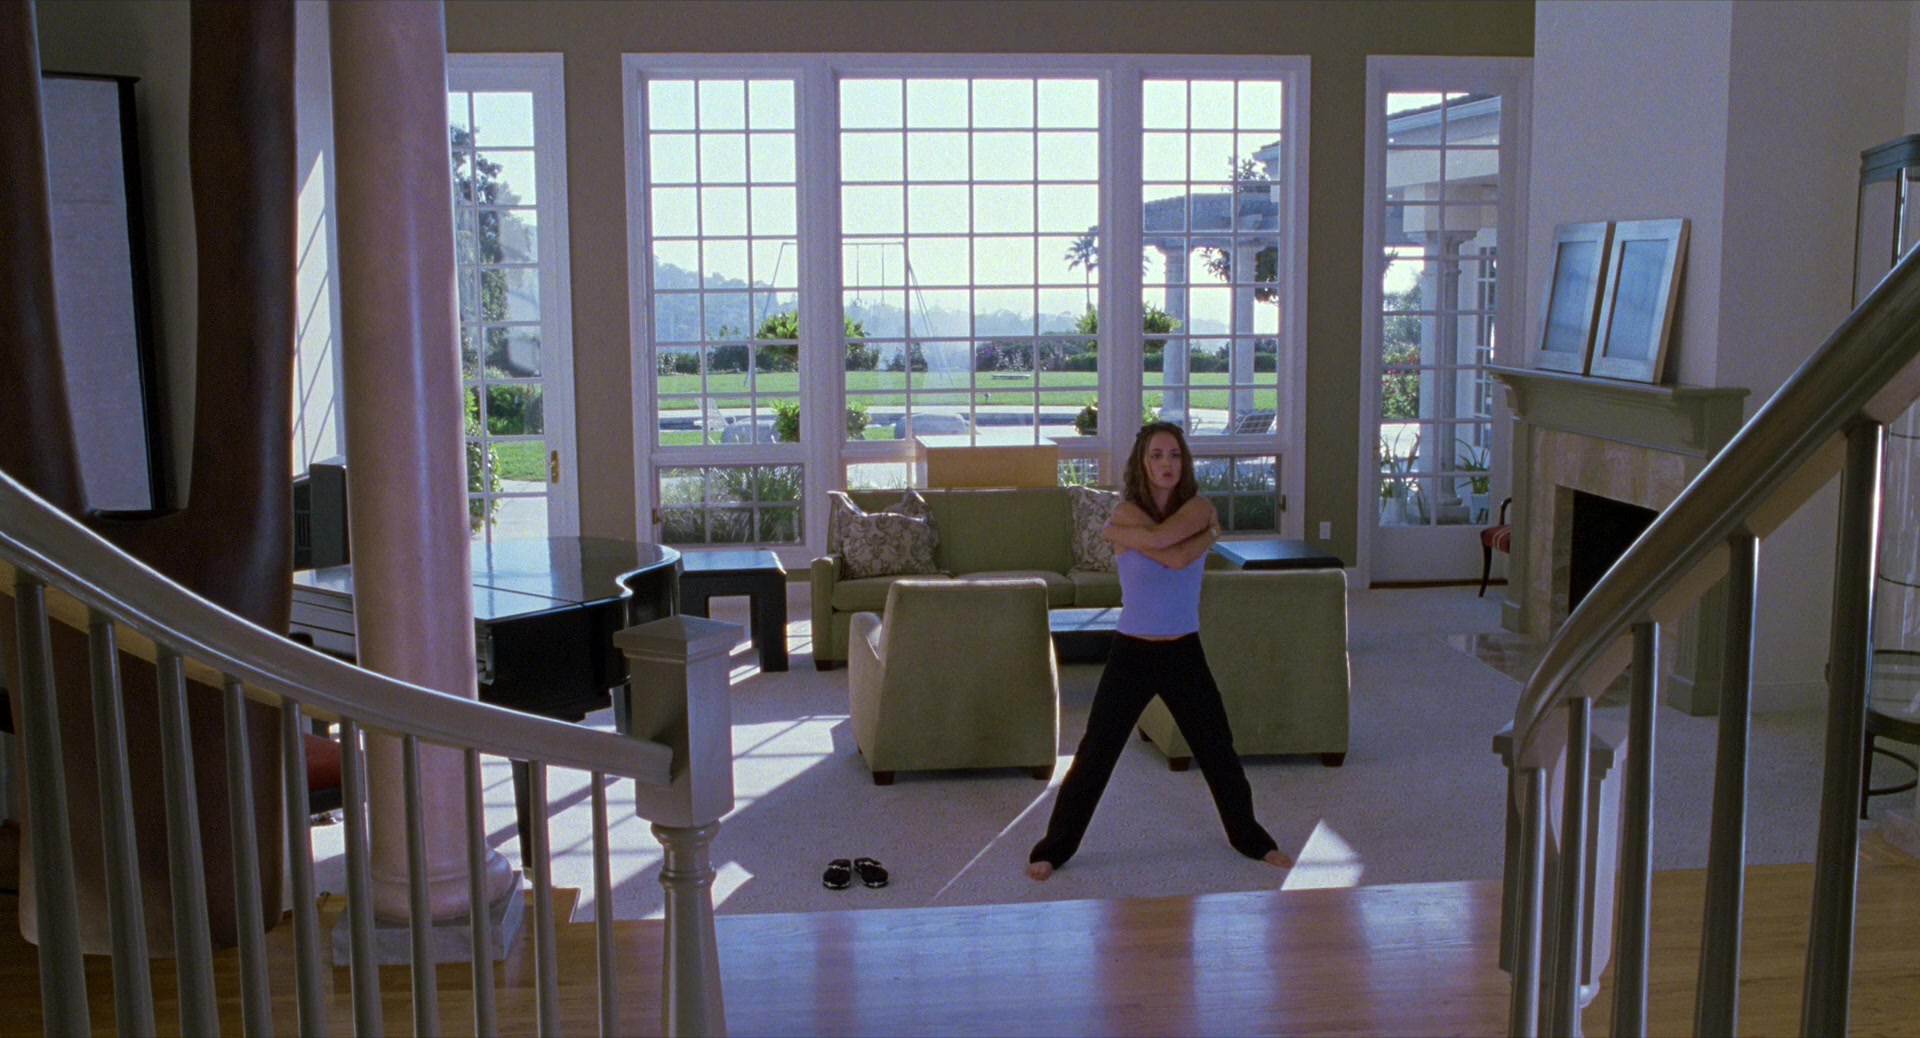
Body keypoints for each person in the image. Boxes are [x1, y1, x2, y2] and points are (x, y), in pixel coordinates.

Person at [1027, 421, 1292, 880]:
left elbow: (1171, 552)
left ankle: (1251, 839)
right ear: (1142, 463)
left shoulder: (1196, 507)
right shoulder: (1128, 511)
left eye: (1174, 454)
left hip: (1184, 650)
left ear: (1184, 461)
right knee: (1096, 753)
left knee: (1218, 749)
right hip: (1131, 651)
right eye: (1156, 455)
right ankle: (1054, 849)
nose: (1167, 463)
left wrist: (1156, 536)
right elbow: (1168, 548)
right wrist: (1209, 535)